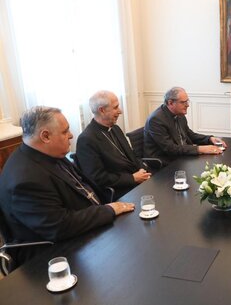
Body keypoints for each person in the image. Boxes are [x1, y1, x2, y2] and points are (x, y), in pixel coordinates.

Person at [0, 106, 134, 269]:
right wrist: (109, 210)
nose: (71, 135)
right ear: (45, 136)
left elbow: (84, 187)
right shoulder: (25, 179)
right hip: (53, 256)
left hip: (86, 227)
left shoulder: (50, 153)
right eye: (65, 132)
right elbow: (59, 227)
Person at [76, 90, 151, 200]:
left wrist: (143, 170)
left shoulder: (115, 128)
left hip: (136, 180)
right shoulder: (86, 139)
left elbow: (131, 156)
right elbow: (98, 178)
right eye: (115, 108)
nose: (120, 111)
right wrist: (132, 178)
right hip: (119, 191)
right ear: (102, 110)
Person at [144, 87, 226, 167]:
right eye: (183, 102)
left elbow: (189, 134)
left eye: (187, 101)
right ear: (170, 103)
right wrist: (200, 149)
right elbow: (170, 149)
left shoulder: (179, 114)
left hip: (182, 156)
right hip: (166, 162)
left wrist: (209, 139)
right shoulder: (156, 119)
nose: (187, 105)